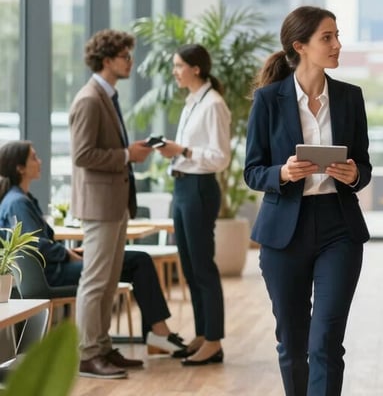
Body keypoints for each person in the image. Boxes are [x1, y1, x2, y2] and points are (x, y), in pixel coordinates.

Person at [243, 6, 371, 396]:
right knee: (293, 343)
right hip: (285, 233)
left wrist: (354, 175)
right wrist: (283, 173)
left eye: (337, 36)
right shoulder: (268, 100)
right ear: (300, 46)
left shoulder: (350, 97)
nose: (337, 45)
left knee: (327, 340)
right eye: (327, 38)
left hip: (339, 229)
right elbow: (253, 171)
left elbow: (363, 164)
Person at [0, 140, 186, 356]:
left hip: (54, 268)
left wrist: (71, 253)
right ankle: (157, 333)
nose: (39, 161)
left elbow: (38, 241)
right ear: (19, 168)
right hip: (52, 274)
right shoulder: (17, 202)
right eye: (34, 157)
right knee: (139, 261)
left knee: (136, 261)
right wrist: (67, 254)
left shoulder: (19, 199)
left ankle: (155, 334)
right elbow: (33, 244)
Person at [69, 29, 152, 379]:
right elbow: (82, 155)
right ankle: (88, 354)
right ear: (107, 61)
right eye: (125, 56)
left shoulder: (108, 97)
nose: (130, 62)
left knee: (108, 281)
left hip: (115, 202)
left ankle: (102, 346)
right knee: (95, 281)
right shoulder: (89, 100)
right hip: (100, 205)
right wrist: (126, 155)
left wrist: (129, 153)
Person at [155, 43, 231, 366]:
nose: (175, 71)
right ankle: (202, 334)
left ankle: (214, 341)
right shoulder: (192, 103)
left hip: (200, 188)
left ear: (196, 69)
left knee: (203, 266)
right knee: (189, 266)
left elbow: (220, 157)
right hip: (183, 187)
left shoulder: (213, 105)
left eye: (178, 66)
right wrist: (175, 152)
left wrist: (183, 151)